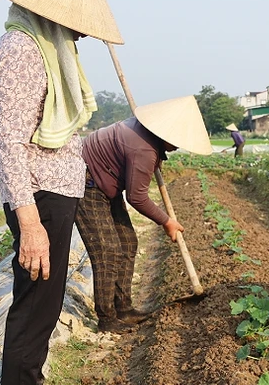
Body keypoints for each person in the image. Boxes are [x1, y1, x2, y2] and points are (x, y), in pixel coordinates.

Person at [0, 0, 123, 385]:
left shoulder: (46, 51)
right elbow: (7, 143)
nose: (81, 37)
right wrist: (28, 221)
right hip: (37, 198)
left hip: (55, 193)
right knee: (34, 304)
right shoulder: (21, 51)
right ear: (50, 15)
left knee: (46, 301)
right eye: (75, 26)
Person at [76, 96, 212, 331]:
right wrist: (166, 221)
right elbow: (137, 197)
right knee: (107, 250)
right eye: (177, 140)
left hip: (106, 182)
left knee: (127, 242)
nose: (179, 145)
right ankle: (107, 318)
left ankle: (124, 308)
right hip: (85, 183)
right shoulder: (143, 149)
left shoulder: (147, 138)